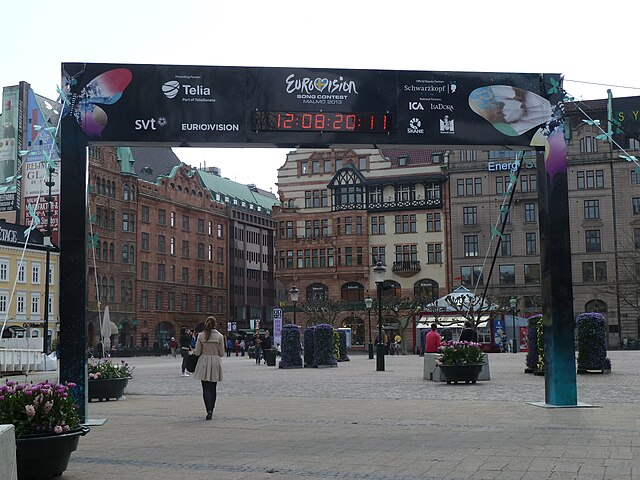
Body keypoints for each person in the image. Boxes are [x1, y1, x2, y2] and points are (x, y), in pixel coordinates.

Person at [192, 316, 225, 420]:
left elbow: (197, 352)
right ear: (215, 324)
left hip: (204, 362)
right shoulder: (220, 336)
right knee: (213, 388)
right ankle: (212, 409)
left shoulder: (201, 335)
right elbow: (222, 353)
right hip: (215, 362)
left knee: (205, 388)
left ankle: (208, 410)